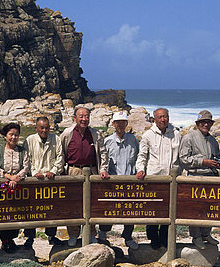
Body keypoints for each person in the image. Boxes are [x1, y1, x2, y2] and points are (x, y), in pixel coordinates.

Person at [60, 107, 110, 246]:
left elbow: (103, 154)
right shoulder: (67, 133)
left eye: (86, 116)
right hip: (73, 172)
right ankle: (73, 234)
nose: (84, 119)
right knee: (72, 204)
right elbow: (62, 153)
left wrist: (103, 169)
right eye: (81, 116)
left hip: (92, 171)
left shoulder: (96, 134)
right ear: (74, 118)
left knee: (91, 204)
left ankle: (91, 233)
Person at [136, 107, 181, 250]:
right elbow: (142, 155)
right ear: (154, 119)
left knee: (169, 210)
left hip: (172, 179)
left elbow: (181, 157)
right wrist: (140, 169)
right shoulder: (148, 135)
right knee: (153, 210)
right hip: (154, 179)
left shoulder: (176, 134)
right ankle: (153, 239)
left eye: (165, 116)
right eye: (160, 117)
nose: (163, 119)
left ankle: (165, 238)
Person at [179, 110, 220, 250]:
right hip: (195, 178)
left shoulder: (213, 140)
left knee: (210, 208)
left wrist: (218, 163)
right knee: (195, 209)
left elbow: (217, 157)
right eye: (203, 122)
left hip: (211, 178)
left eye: (208, 122)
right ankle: (196, 237)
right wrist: (203, 162)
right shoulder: (188, 138)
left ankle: (206, 234)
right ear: (197, 123)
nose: (205, 124)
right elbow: (183, 159)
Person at [98, 111, 140, 250]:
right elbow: (103, 160)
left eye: (123, 122)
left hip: (130, 181)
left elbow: (138, 158)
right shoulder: (108, 141)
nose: (121, 125)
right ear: (113, 124)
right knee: (110, 209)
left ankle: (127, 237)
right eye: (118, 122)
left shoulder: (133, 139)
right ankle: (103, 233)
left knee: (130, 210)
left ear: (127, 124)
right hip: (112, 183)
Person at [23, 116, 65, 247]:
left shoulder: (56, 139)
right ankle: (29, 238)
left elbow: (60, 157)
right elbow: (26, 159)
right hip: (34, 180)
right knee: (31, 209)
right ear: (36, 128)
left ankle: (51, 236)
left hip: (50, 179)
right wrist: (34, 172)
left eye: (47, 127)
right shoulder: (29, 140)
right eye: (42, 127)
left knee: (52, 209)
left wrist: (53, 171)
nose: (44, 130)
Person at [0, 122, 30, 252]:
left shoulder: (22, 151)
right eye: (11, 134)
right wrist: (8, 177)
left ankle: (11, 239)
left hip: (17, 186)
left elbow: (26, 167)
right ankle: (5, 240)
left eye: (16, 135)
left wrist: (16, 178)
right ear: (5, 136)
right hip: (1, 186)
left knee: (16, 212)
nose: (14, 137)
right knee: (2, 214)